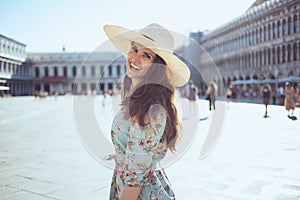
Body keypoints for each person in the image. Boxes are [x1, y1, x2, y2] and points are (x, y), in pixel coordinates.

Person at [103, 23, 190, 200]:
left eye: (146, 55)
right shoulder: (139, 99)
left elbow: (135, 180)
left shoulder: (150, 110)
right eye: (134, 49)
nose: (134, 58)